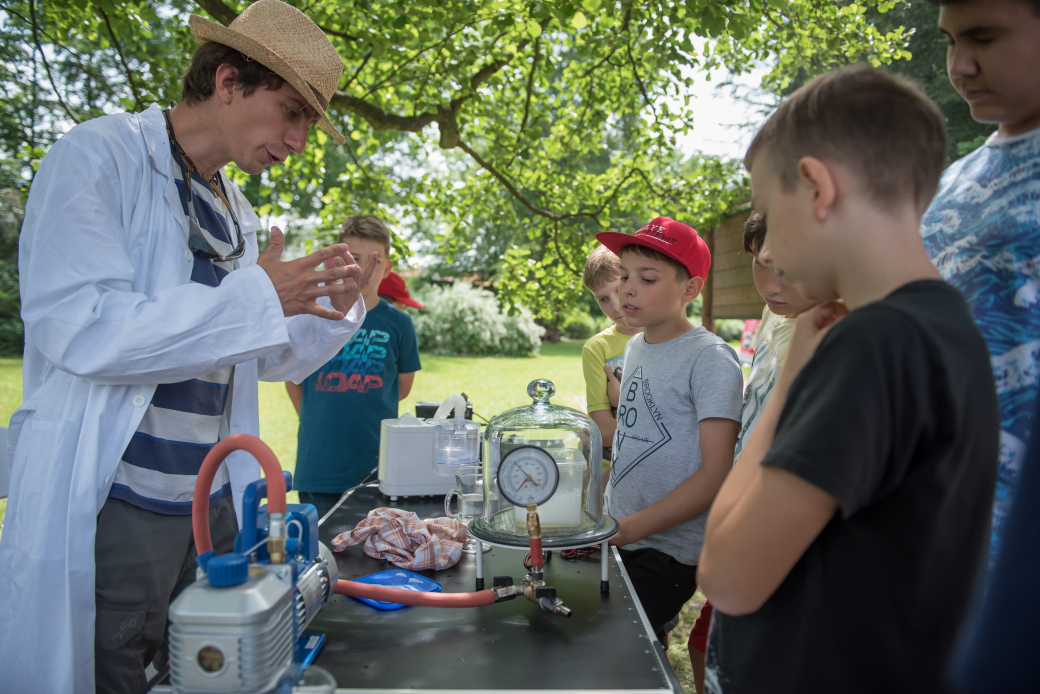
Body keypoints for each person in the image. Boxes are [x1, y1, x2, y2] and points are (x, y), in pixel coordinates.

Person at [0, 2, 376, 692]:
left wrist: (326, 312)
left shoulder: (236, 210)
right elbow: (86, 328)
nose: (297, 141)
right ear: (229, 80)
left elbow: (250, 357)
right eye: (290, 111)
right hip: (124, 498)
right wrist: (261, 297)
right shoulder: (98, 158)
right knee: (116, 667)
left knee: (204, 669)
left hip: (208, 505)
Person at [698, 65, 1000, 694]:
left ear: (816, 188)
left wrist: (787, 386)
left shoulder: (872, 345)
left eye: (768, 214)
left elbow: (726, 577)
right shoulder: (951, 328)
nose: (770, 251)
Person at [921, 0, 1040, 567]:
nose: (959, 65)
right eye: (949, 41)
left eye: (984, 38)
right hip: (940, 529)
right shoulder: (949, 184)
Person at [686, 211, 818, 694]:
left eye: (790, 268)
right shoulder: (773, 315)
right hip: (742, 510)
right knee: (704, 644)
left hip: (783, 526)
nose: (773, 283)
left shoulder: (834, 332)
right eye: (764, 264)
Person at [595, 218, 743, 643]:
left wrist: (630, 528)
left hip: (669, 552)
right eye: (624, 275)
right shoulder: (635, 347)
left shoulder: (710, 358)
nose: (627, 289)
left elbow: (716, 474)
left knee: (623, 648)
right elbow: (632, 442)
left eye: (647, 278)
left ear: (690, 289)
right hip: (621, 532)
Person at [286, 215, 421, 519]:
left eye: (375, 260)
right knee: (321, 554)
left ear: (387, 268)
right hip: (318, 463)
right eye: (355, 259)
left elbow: (401, 388)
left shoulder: (399, 323)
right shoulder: (314, 313)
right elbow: (292, 378)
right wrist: (315, 417)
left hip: (376, 466)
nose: (364, 269)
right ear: (338, 261)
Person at [580, 244, 642, 465]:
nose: (615, 306)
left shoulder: (666, 337)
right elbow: (604, 431)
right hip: (610, 467)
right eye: (603, 299)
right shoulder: (597, 348)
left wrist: (622, 396)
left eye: (617, 290)